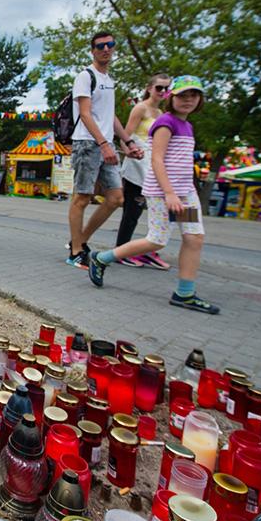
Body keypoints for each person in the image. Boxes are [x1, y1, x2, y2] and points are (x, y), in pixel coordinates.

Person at [87, 75, 220, 314]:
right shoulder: (166, 123)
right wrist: (168, 193)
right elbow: (157, 159)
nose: (188, 100)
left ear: (200, 99)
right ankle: (101, 258)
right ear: (172, 97)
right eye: (182, 95)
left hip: (184, 194)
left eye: (194, 95)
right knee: (157, 239)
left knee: (194, 238)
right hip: (163, 193)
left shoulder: (187, 126)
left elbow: (182, 162)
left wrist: (184, 190)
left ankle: (184, 292)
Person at [66, 30, 144, 269]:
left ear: (114, 48)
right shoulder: (85, 76)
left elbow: (110, 117)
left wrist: (128, 142)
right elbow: (86, 114)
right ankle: (76, 252)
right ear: (93, 50)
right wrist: (102, 143)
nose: (105, 49)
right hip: (87, 143)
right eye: (100, 46)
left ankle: (79, 241)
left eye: (110, 45)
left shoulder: (109, 81)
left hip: (106, 143)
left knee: (116, 198)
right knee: (82, 197)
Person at [114, 74, 172, 269]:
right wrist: (129, 151)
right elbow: (124, 135)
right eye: (159, 88)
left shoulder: (162, 113)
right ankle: (121, 250)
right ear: (149, 88)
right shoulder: (140, 108)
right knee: (133, 210)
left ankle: (148, 249)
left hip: (154, 165)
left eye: (166, 88)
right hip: (138, 165)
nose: (163, 92)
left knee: (160, 212)